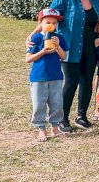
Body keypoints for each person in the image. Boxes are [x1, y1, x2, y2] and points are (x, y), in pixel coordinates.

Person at [28, 0, 99, 132]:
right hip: (70, 47)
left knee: (87, 82)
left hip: (91, 47)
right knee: (70, 83)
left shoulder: (96, 0)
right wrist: (33, 36)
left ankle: (81, 116)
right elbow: (47, 19)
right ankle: (62, 119)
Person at [26, 9, 68, 142]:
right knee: (39, 104)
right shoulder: (36, 38)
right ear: (41, 23)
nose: (51, 25)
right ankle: (41, 129)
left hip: (56, 76)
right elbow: (28, 59)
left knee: (56, 103)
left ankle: (55, 128)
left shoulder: (59, 37)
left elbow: (63, 56)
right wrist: (43, 51)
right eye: (47, 22)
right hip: (38, 77)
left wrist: (57, 46)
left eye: (54, 23)